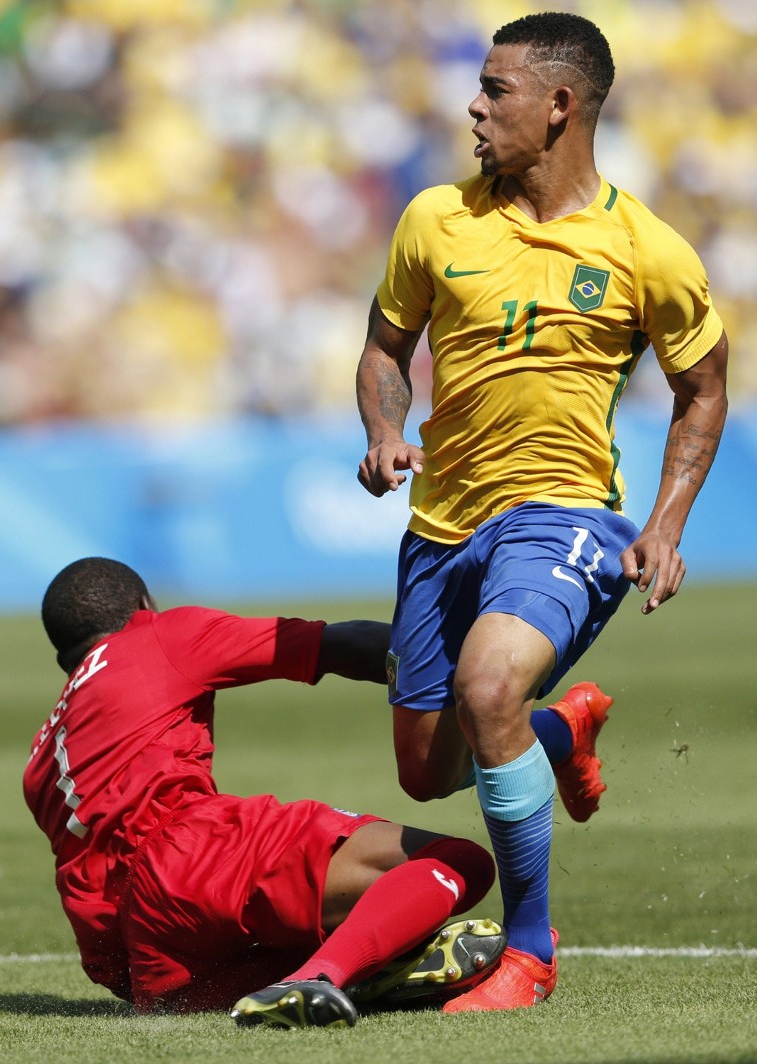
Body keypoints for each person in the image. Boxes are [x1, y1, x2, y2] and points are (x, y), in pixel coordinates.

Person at [355, 12, 728, 1013]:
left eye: (495, 90)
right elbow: (386, 348)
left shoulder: (648, 249)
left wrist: (665, 522)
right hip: (442, 523)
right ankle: (559, 729)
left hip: (566, 517)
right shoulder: (435, 219)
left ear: (561, 105)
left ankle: (530, 952)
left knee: (486, 689)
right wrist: (387, 429)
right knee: (430, 773)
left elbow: (704, 389)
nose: (474, 107)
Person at [24, 555, 509, 1028]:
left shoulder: (41, 749)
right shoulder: (156, 633)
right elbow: (346, 644)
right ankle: (325, 975)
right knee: (457, 861)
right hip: (191, 858)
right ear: (143, 602)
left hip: (132, 949)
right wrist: (470, 677)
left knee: (339, 930)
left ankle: (362, 973)